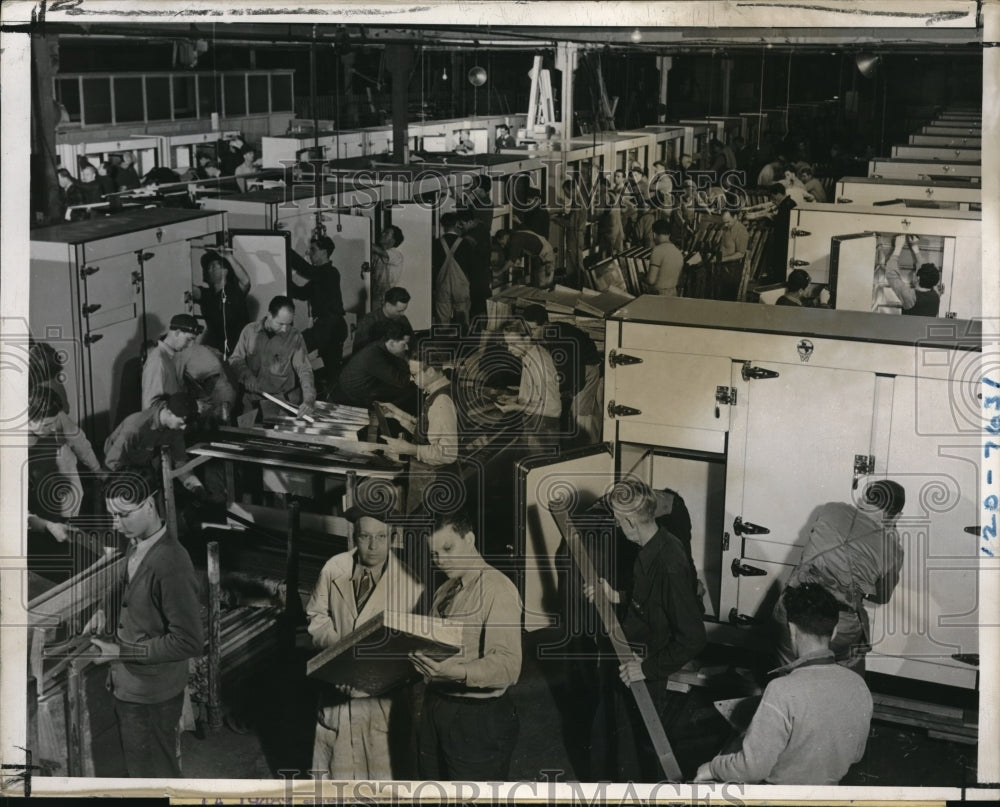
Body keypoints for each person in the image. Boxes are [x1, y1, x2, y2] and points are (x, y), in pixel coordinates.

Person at [584, 477, 707, 780]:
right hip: (631, 656)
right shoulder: (652, 545)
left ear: (628, 521)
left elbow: (693, 637)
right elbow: (652, 601)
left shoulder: (668, 562)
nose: (615, 526)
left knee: (639, 752)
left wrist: (648, 669)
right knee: (619, 737)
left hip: (646, 667)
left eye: (616, 520)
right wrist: (616, 596)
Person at [85, 469, 203, 778]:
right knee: (139, 769)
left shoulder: (172, 562)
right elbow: (125, 584)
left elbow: (188, 641)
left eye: (123, 515)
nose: (116, 524)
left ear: (149, 505)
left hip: (153, 694)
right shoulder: (138, 543)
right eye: (113, 515)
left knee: (155, 775)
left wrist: (120, 652)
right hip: (131, 686)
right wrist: (103, 610)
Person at [695, 583, 873, 785]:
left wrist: (712, 767)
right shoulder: (858, 685)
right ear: (833, 633)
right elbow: (857, 754)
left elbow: (753, 769)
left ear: (792, 630)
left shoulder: (782, 690)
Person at [306, 507, 423, 780]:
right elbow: (317, 615)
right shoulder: (334, 568)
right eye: (365, 537)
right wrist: (340, 653)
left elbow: (410, 649)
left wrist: (369, 677)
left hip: (382, 701)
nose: (373, 546)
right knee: (337, 782)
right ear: (354, 536)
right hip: (337, 689)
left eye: (381, 537)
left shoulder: (410, 584)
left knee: (382, 783)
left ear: (392, 537)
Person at [411, 509, 522, 780]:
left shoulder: (497, 588)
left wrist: (456, 672)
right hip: (438, 706)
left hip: (477, 719)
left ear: (470, 539)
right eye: (435, 554)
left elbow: (509, 666)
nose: (441, 560)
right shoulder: (445, 590)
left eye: (448, 548)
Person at [773, 480, 907, 673]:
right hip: (837, 625)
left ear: (865, 498)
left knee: (789, 672)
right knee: (850, 661)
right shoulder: (892, 548)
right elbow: (882, 597)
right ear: (897, 516)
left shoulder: (830, 509)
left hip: (793, 609)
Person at [380, 352, 460, 513]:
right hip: (431, 477)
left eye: (414, 374)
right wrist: (396, 415)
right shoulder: (443, 390)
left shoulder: (441, 402)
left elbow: (448, 453)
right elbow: (427, 433)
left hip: (435, 480)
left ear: (430, 371)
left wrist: (409, 449)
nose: (411, 379)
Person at [522, 304, 603, 443]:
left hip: (588, 370)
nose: (531, 334)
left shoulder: (559, 339)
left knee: (581, 415)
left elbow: (573, 378)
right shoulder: (546, 334)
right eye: (528, 329)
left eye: (534, 329)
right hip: (574, 370)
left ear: (546, 324)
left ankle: (589, 450)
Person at [229, 295, 316, 421]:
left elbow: (304, 370)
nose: (285, 329)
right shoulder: (249, 331)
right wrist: (246, 374)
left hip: (281, 404)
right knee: (248, 436)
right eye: (280, 324)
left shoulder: (295, 337)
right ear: (269, 315)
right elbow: (235, 359)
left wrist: (309, 399)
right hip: (251, 401)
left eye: (288, 324)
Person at [103, 392, 206, 495]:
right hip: (115, 470)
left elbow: (180, 461)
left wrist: (194, 486)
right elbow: (112, 463)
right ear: (169, 412)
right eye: (181, 423)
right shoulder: (136, 426)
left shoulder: (175, 429)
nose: (183, 428)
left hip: (141, 467)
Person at [289, 235, 348, 386]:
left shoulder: (330, 273)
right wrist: (283, 276)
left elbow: (306, 269)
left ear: (324, 252)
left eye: (313, 250)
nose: (309, 253)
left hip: (330, 327)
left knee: (294, 347)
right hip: (327, 327)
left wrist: (284, 248)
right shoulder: (320, 277)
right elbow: (301, 294)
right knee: (332, 371)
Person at [498, 319, 562, 438]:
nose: (508, 349)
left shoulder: (540, 364)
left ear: (527, 339)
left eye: (513, 344)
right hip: (534, 422)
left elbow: (554, 409)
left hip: (544, 429)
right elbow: (538, 393)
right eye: (507, 344)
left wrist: (517, 406)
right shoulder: (528, 354)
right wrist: (516, 398)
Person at [333, 319, 415, 411]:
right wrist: (415, 374)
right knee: (411, 390)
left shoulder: (382, 345)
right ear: (392, 343)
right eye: (404, 344)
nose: (407, 348)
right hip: (351, 399)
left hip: (363, 386)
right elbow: (401, 381)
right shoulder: (374, 356)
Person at [192, 250, 251, 358]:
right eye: (208, 268)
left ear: (226, 271)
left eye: (213, 266)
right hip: (218, 353)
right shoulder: (206, 295)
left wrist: (228, 256)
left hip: (240, 353)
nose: (209, 270)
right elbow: (190, 288)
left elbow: (246, 281)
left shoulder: (235, 291)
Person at [141, 314, 202, 410]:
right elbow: (150, 406)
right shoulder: (158, 360)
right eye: (188, 339)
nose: (190, 345)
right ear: (177, 333)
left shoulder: (170, 357)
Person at [884, 234, 944, 317]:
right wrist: (915, 248)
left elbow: (891, 274)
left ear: (917, 278)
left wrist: (897, 248)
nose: (913, 273)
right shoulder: (935, 295)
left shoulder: (910, 297)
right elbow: (925, 270)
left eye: (915, 273)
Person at [432, 212, 473, 329]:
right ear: (456, 224)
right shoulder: (465, 243)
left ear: (442, 225)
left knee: (442, 318)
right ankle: (463, 342)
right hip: (461, 285)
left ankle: (443, 343)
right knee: (463, 317)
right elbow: (471, 267)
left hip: (442, 284)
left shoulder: (435, 243)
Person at [354, 286, 413, 353]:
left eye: (404, 310)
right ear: (388, 305)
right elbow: (359, 353)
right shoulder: (367, 322)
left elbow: (413, 344)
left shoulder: (402, 319)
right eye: (399, 311)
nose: (402, 314)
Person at [643, 219, 684, 296]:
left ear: (654, 234)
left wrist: (641, 277)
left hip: (658, 295)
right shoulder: (677, 252)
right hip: (673, 294)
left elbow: (651, 280)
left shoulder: (657, 250)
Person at [370, 225, 406, 310]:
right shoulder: (376, 255)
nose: (382, 234)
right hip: (375, 294)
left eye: (386, 233)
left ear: (393, 240)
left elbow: (379, 251)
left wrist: (364, 238)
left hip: (386, 297)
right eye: (383, 232)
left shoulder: (396, 255)